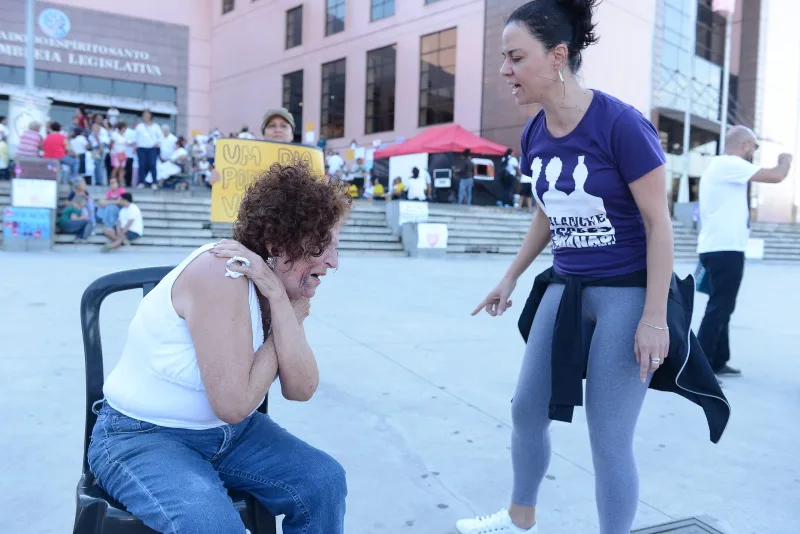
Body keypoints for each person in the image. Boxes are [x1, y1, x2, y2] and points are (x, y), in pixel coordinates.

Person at [457, 2, 729, 533]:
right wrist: (510, 276)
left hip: (627, 293)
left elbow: (659, 224)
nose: (505, 70)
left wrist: (654, 317)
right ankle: (519, 516)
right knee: (525, 411)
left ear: (558, 55)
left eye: (516, 57)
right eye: (504, 58)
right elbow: (547, 211)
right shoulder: (534, 135)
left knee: (608, 437)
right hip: (566, 286)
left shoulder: (622, 125)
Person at [88, 164, 350, 533]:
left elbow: (302, 389)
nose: (333, 262)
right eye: (322, 247)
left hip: (231, 436)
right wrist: (282, 308)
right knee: (213, 526)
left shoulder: (275, 287)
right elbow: (234, 405)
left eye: (336, 246)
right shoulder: (223, 273)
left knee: (323, 481)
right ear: (277, 245)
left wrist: (283, 306)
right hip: (142, 436)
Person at [696, 125, 793, 377]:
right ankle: (700, 367)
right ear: (745, 145)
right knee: (719, 307)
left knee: (723, 306)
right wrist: (786, 159)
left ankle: (717, 360)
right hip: (724, 249)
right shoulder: (729, 164)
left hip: (721, 247)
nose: (753, 152)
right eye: (753, 147)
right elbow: (776, 176)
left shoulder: (722, 167)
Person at [134, 109, 163, 189]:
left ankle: (154, 182)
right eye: (144, 115)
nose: (145, 116)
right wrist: (135, 147)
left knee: (152, 165)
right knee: (142, 165)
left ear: (150, 116)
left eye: (147, 115)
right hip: (141, 148)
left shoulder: (156, 126)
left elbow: (161, 137)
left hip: (152, 149)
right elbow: (135, 138)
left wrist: (157, 143)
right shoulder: (139, 126)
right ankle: (141, 182)